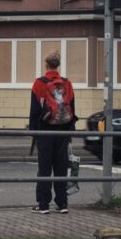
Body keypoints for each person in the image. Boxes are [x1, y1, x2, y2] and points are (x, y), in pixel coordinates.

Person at [29, 50, 77, 214]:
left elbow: (35, 110)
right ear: (58, 65)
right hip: (63, 130)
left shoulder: (39, 83)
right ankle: (62, 203)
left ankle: (43, 205)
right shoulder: (67, 83)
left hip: (45, 130)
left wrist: (33, 131)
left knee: (44, 168)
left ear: (46, 65)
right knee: (61, 167)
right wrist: (71, 131)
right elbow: (72, 106)